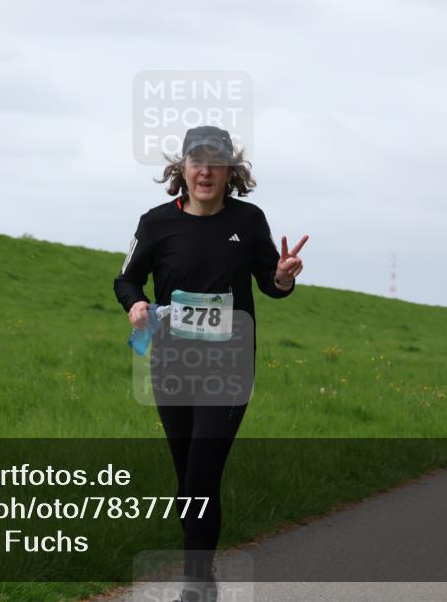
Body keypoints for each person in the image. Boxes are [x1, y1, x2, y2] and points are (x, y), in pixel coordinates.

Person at [114, 126, 308, 602]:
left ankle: (196, 583)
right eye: (196, 162)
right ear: (181, 169)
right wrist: (136, 304)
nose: (205, 171)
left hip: (229, 366)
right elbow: (126, 280)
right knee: (187, 479)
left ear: (229, 171)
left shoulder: (248, 220)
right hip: (172, 365)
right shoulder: (156, 223)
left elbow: (271, 283)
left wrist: (283, 277)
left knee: (202, 475)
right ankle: (202, 571)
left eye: (215, 163)